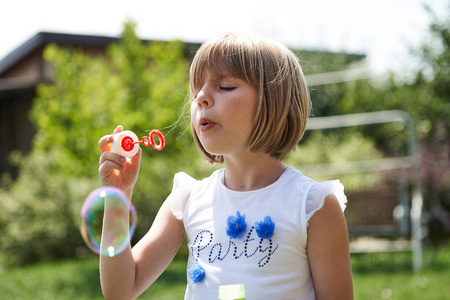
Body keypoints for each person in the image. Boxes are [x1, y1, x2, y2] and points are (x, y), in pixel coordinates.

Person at [98, 32, 353, 300]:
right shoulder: (187, 201)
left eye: (225, 87)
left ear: (275, 102)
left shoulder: (312, 206)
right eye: (197, 91)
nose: (201, 99)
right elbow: (120, 291)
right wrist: (119, 195)